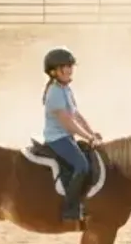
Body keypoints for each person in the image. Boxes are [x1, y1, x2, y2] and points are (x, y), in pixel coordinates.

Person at [41, 47, 103, 224]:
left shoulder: (66, 89)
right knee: (81, 165)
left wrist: (92, 133)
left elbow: (77, 115)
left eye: (70, 66)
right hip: (57, 138)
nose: (69, 69)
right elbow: (67, 122)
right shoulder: (54, 92)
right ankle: (70, 209)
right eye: (65, 66)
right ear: (54, 71)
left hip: (67, 137)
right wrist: (87, 138)